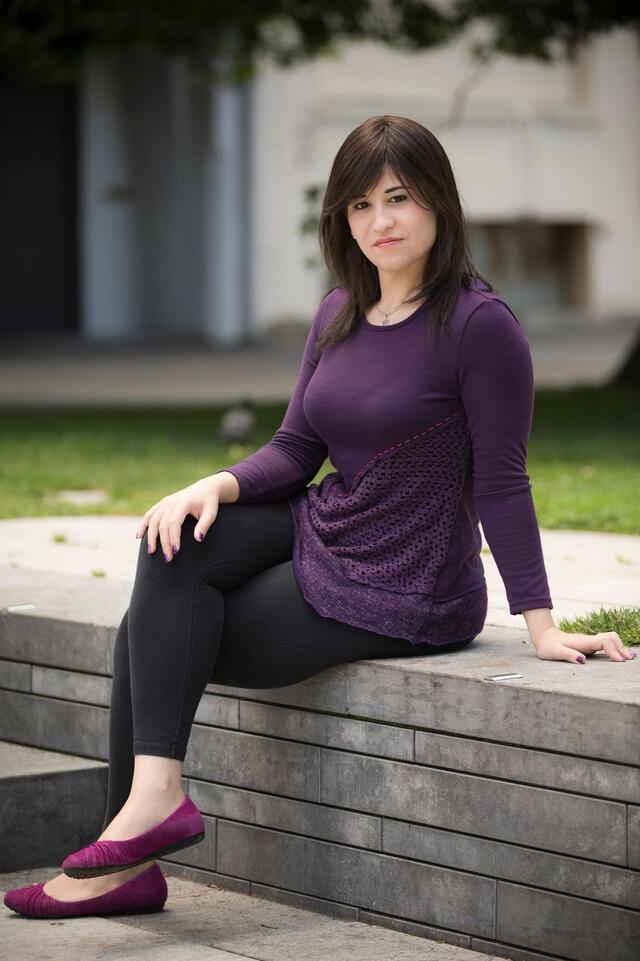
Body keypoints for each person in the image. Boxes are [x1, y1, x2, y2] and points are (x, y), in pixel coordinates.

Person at [5, 114, 635, 920]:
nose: (381, 221)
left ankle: (127, 857)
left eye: (399, 197)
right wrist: (217, 484)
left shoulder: (482, 327)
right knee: (172, 546)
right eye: (361, 204)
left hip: (410, 578)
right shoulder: (339, 309)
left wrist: (541, 626)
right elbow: (297, 448)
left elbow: (505, 482)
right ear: (341, 216)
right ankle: (154, 801)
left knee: (150, 632)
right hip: (331, 522)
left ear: (440, 203)